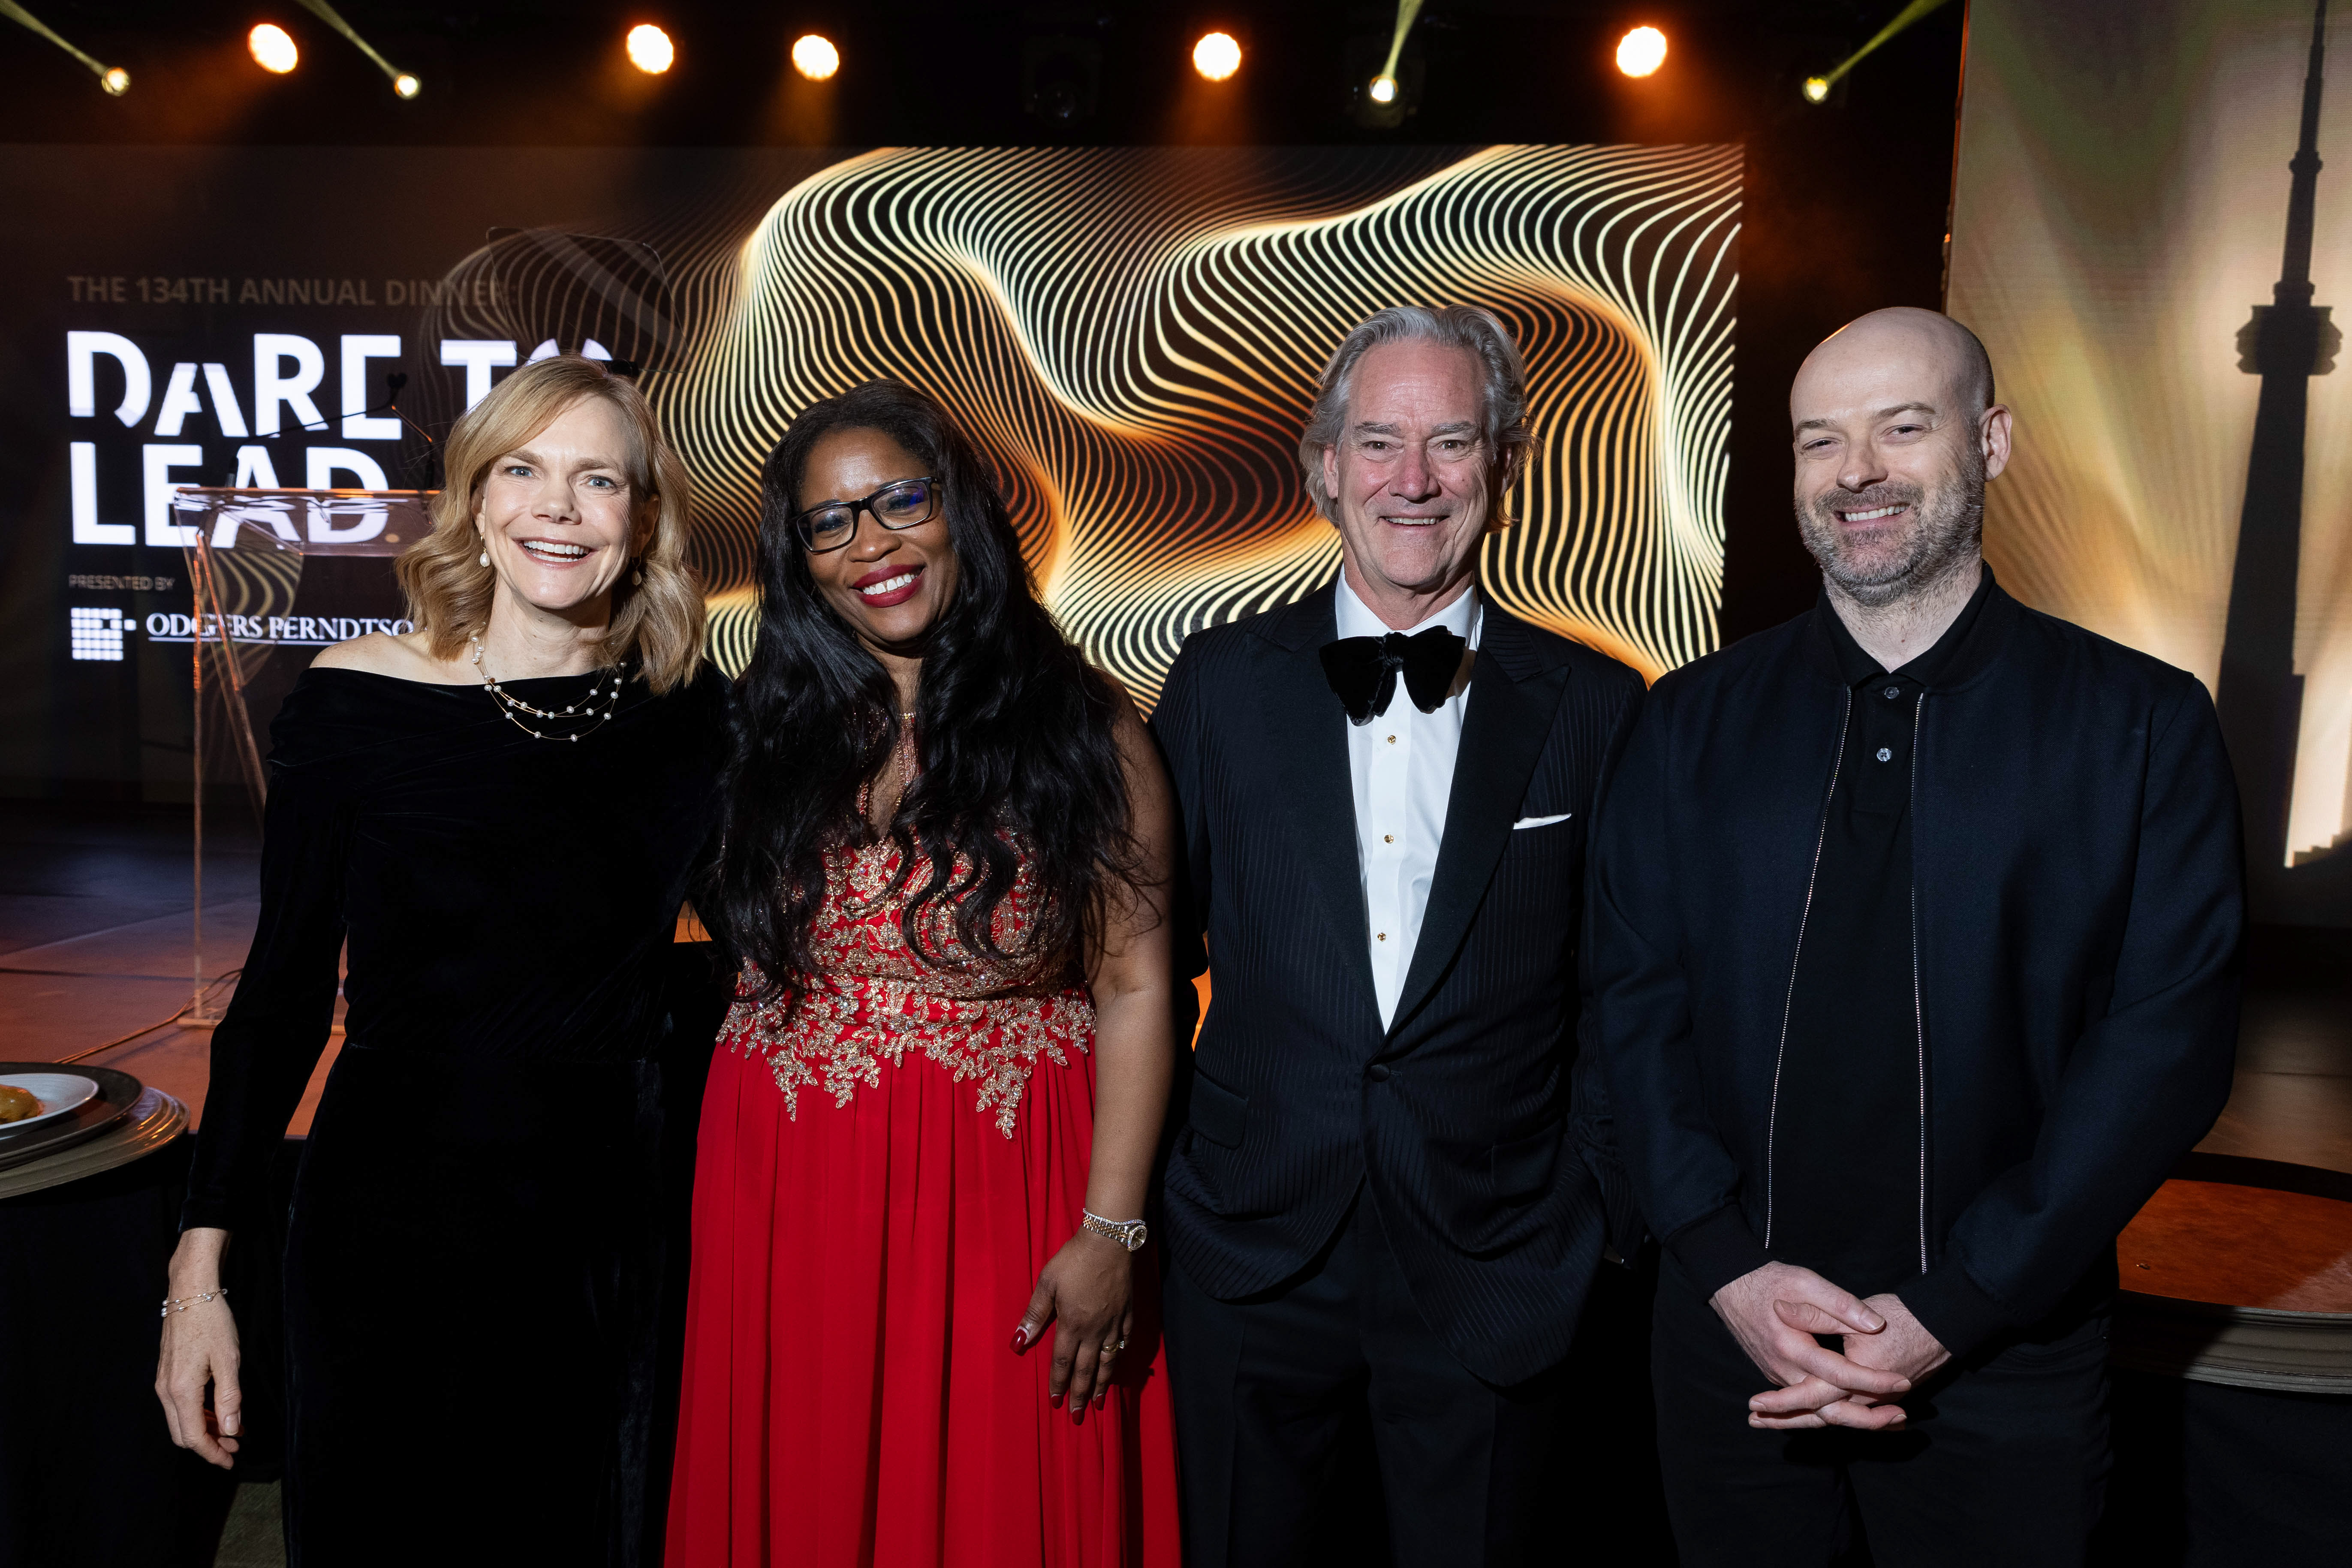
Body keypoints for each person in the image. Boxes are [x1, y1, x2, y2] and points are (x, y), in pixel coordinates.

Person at [1588, 307, 2244, 1564]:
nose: (1858, 472)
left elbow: (2166, 1049)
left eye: (1904, 427)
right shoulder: (1688, 722)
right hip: (1731, 1343)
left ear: (1991, 440)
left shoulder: (2141, 726)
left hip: (2008, 1363)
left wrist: (1958, 1305)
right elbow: (1631, 1004)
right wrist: (1726, 1268)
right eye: (1819, 440)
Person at [155, 354, 729, 1563]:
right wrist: (200, 1271)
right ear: (474, 498)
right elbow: (281, 996)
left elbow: (764, 952)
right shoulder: (356, 702)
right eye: (521, 469)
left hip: (603, 1233)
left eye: (597, 480)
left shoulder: (693, 720)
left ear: (645, 518)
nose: (556, 508)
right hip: (388, 1224)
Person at [1149, 305, 1645, 1566]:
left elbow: (1626, 992)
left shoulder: (1597, 703)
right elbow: (1142, 955)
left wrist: (1586, 1220)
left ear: (1505, 465)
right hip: (1252, 1244)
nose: (1413, 482)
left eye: (1451, 444)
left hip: (1498, 1258)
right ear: (1323, 468)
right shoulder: (1217, 683)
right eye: (1378, 443)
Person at [666, 379, 1182, 1567]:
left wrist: (1112, 1227)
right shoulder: (754, 732)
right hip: (786, 1192)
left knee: (1001, 1506)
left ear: (960, 509)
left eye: (901, 500)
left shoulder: (1085, 732)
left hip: (1008, 1190)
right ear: (800, 559)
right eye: (831, 522)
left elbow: (1138, 986)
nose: (872, 545)